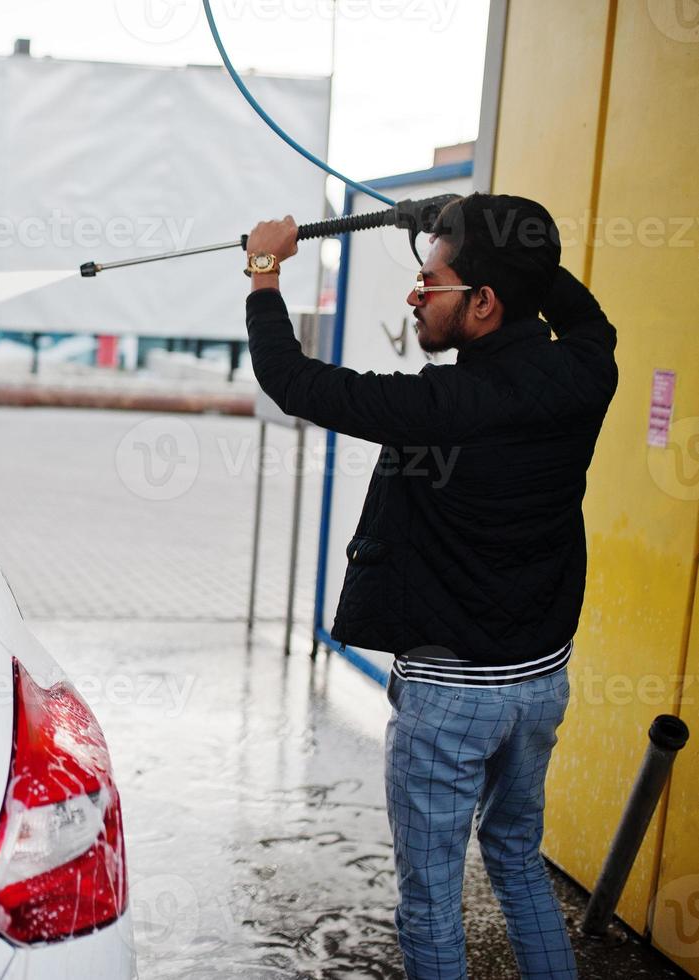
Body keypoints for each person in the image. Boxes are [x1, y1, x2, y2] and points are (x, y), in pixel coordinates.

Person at [241, 193, 618, 979]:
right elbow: (569, 303)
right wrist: (483, 232)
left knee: (431, 903)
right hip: (538, 684)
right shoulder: (586, 365)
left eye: (431, 281)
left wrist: (264, 270)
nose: (415, 296)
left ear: (482, 302)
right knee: (516, 864)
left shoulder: (446, 404)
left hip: (452, 698)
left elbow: (295, 382)